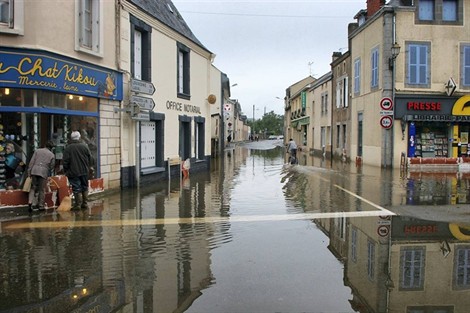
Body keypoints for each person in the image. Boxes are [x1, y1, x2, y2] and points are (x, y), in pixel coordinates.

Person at [63, 131, 93, 210]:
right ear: (79, 137)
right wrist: (89, 167)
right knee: (84, 187)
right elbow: (90, 158)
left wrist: (66, 170)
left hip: (73, 171)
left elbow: (65, 161)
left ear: (71, 138)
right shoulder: (85, 146)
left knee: (76, 188)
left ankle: (78, 205)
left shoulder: (68, 148)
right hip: (84, 171)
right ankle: (85, 203)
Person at [27, 141, 55, 212]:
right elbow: (52, 166)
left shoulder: (37, 151)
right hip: (43, 172)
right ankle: (41, 205)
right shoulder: (51, 155)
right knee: (41, 189)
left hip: (34, 170)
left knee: (33, 187)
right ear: (51, 148)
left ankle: (30, 203)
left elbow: (31, 162)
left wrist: (29, 172)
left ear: (45, 145)